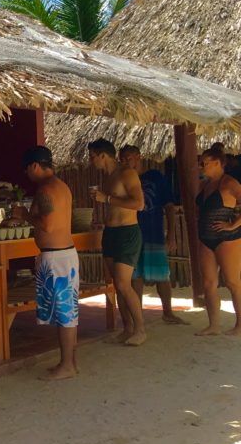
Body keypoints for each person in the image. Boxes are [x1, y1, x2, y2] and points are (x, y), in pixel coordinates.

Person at [11, 146, 79, 380]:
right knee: (65, 312)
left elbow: (48, 225)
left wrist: (22, 215)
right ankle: (68, 362)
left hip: (57, 256)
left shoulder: (46, 189)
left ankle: (67, 365)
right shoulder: (61, 186)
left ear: (35, 166)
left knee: (64, 314)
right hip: (61, 254)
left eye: (27, 170)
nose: (27, 175)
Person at [118, 145, 187, 325]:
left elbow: (169, 206)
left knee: (162, 275)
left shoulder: (155, 177)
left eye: (128, 158)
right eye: (122, 159)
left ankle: (168, 313)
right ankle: (137, 316)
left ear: (138, 157)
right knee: (135, 277)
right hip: (131, 235)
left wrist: (171, 234)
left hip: (154, 233)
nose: (125, 162)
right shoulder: (122, 181)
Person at [88, 138, 147, 346]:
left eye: (93, 156)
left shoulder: (126, 173)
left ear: (103, 155)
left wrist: (108, 199)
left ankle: (140, 329)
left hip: (127, 233)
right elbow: (113, 207)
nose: (91, 160)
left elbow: (139, 204)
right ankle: (128, 328)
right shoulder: (108, 177)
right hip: (111, 233)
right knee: (117, 284)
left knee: (123, 283)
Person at [193, 143, 241, 336]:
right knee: (208, 283)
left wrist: (233, 225)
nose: (201, 166)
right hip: (205, 238)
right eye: (201, 163)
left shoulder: (230, 183)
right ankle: (213, 325)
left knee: (232, 282)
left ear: (218, 163)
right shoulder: (206, 185)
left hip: (227, 239)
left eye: (205, 163)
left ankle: (240, 325)